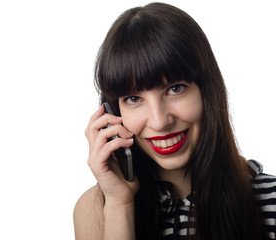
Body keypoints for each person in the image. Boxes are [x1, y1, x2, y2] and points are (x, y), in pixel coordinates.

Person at [73, 2, 276, 240]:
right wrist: (119, 204)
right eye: (134, 98)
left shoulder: (269, 202)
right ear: (113, 113)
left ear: (206, 91)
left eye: (175, 88)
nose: (159, 122)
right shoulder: (95, 210)